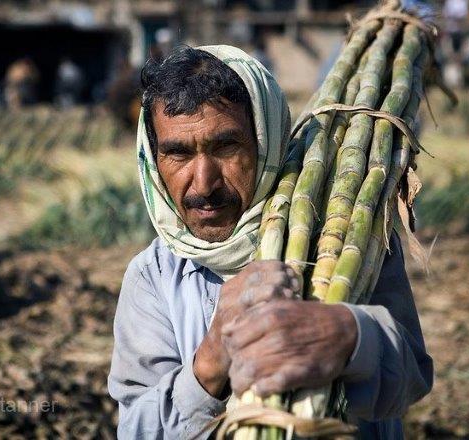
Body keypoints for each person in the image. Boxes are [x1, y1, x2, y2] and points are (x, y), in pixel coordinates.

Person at [108, 46, 433, 439]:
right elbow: (136, 430)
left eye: (226, 147)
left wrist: (351, 335)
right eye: (177, 154)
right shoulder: (153, 276)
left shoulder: (347, 233)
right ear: (152, 159)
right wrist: (210, 363)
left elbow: (412, 377)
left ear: (266, 141)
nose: (203, 183)